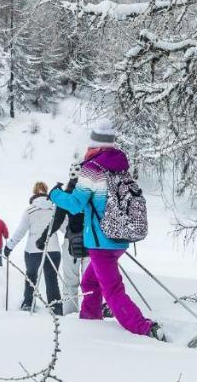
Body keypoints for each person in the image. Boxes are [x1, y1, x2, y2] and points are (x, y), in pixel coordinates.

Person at [49, 122, 164, 340]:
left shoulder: (92, 169)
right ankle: (90, 320)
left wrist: (55, 194)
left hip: (100, 240)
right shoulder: (120, 166)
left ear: (96, 146)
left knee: (112, 290)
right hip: (118, 238)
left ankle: (143, 328)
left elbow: (75, 204)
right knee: (90, 282)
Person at [7, 182, 63, 314]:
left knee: (31, 275)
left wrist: (9, 246)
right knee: (51, 278)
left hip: (33, 250)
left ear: (34, 193)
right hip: (53, 249)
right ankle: (56, 307)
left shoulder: (30, 210)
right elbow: (65, 228)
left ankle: (28, 302)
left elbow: (20, 231)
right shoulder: (55, 208)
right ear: (46, 191)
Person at [40, 157, 85, 313]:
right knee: (91, 283)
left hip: (70, 243)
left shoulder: (66, 194)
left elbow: (56, 221)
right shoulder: (90, 192)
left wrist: (43, 238)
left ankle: (71, 314)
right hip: (91, 243)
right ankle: (91, 316)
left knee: (70, 283)